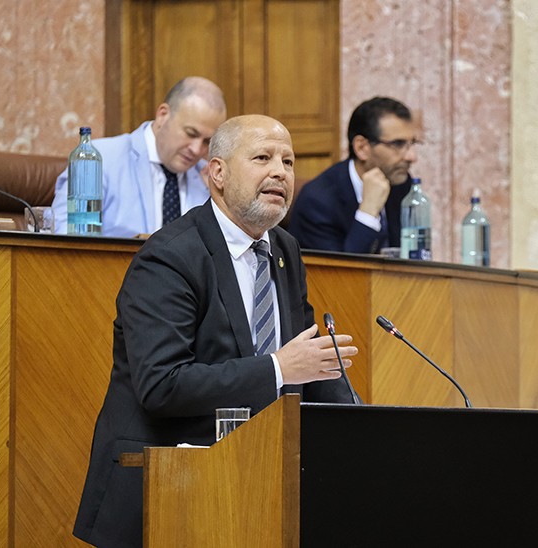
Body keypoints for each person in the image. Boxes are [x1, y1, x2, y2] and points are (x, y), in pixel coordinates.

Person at [72, 114, 359, 547]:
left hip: (251, 482)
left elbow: (309, 359)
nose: (280, 171)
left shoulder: (284, 249)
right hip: (163, 489)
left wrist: (366, 428)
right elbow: (162, 384)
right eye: (262, 157)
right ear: (218, 173)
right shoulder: (169, 257)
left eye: (289, 161)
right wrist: (278, 368)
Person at [52, 76, 228, 237]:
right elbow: (65, 240)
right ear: (163, 115)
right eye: (190, 133)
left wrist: (219, 202)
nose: (197, 150)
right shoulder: (97, 160)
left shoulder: (207, 181)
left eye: (207, 142)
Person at [287, 96, 420, 253]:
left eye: (412, 144)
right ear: (362, 147)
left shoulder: (401, 185)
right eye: (398, 144)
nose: (412, 157)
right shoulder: (318, 201)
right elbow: (342, 275)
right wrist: (368, 212)